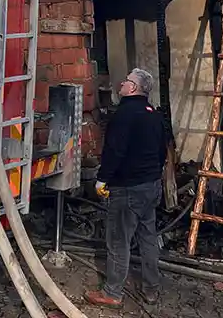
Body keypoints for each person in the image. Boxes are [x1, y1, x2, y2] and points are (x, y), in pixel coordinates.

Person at [84, 68, 166, 309]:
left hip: (128, 188)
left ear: (133, 88)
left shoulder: (124, 114)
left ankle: (112, 293)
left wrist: (102, 179)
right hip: (151, 186)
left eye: (126, 81)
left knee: (119, 240)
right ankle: (151, 289)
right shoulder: (153, 114)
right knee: (148, 238)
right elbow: (163, 151)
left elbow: (114, 151)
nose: (121, 84)